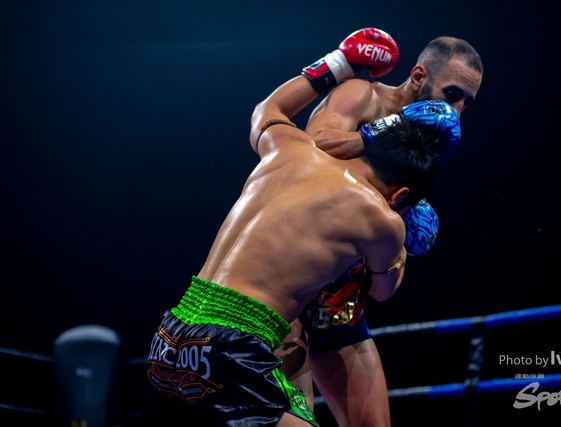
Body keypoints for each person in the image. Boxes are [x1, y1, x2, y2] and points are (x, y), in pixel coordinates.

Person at [144, 28, 458, 427]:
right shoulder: (381, 215)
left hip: (173, 332)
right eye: (453, 94)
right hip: (247, 336)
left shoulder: (287, 148)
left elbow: (267, 109)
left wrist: (338, 64)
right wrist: (401, 239)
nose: (458, 107)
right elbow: (384, 290)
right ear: (399, 196)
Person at [275, 34, 483, 427]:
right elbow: (312, 149)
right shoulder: (363, 96)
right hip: (294, 292)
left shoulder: (429, 144)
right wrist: (390, 127)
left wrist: (403, 237)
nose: (455, 110)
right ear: (419, 76)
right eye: (452, 94)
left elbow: (384, 282)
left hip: (341, 306)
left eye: (466, 102)